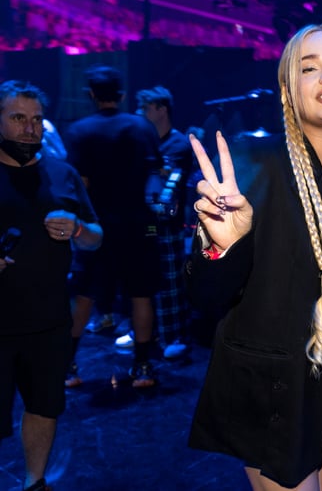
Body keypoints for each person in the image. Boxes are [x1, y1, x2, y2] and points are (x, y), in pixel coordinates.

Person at [185, 24, 322, 490]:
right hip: (272, 389)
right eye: (309, 67)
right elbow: (205, 295)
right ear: (288, 91)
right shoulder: (257, 162)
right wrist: (222, 244)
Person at [0, 80, 102, 491]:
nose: (30, 128)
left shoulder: (62, 173)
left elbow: (98, 236)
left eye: (37, 120)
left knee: (44, 407)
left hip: (48, 319)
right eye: (18, 118)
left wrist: (78, 228)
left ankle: (34, 482)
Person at [63, 65, 161, 388]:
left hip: (98, 226)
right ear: (121, 95)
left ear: (91, 94)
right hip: (138, 223)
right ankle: (144, 367)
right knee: (141, 294)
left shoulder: (79, 131)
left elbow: (82, 184)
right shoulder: (142, 127)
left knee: (84, 294)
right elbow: (155, 176)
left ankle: (68, 368)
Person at [113, 86, 193, 360]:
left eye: (145, 108)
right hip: (141, 222)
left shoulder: (178, 143)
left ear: (161, 109)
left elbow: (166, 182)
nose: (139, 113)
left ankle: (175, 336)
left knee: (170, 282)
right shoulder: (141, 140)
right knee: (140, 281)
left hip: (166, 224)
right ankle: (142, 331)